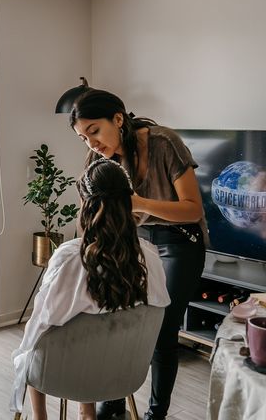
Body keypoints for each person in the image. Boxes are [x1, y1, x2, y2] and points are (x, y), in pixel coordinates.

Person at [69, 89, 207, 420]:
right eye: (83, 137)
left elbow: (192, 210)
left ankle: (156, 414)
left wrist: (139, 202)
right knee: (120, 321)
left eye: (94, 131)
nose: (91, 143)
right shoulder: (100, 160)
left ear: (118, 119)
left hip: (179, 241)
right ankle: (113, 403)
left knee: (162, 330)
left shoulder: (164, 143)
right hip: (135, 241)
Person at [11, 158, 171, 420]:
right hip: (122, 372)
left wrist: (22, 353)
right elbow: (158, 309)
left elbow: (41, 324)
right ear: (129, 201)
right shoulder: (150, 257)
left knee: (33, 348)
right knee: (91, 338)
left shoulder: (70, 258)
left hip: (62, 373)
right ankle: (88, 413)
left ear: (85, 203)